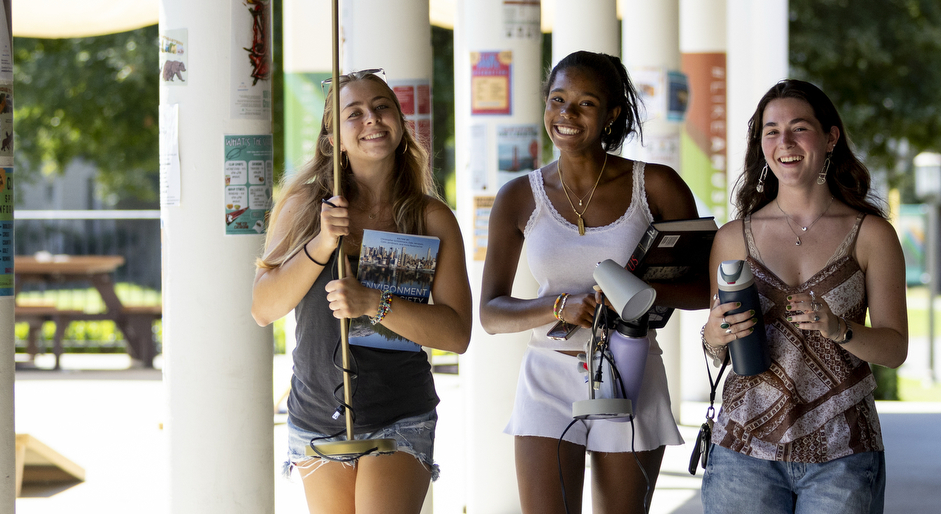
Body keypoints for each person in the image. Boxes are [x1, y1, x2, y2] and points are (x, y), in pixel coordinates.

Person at [480, 51, 708, 514]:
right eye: (557, 100)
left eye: (585, 103)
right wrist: (556, 307)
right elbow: (490, 313)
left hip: (631, 372)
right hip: (547, 374)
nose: (566, 114)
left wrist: (635, 292)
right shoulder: (518, 197)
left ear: (611, 114)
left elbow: (706, 289)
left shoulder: (657, 186)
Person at [251, 71, 472, 514]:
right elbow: (263, 307)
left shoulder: (430, 217)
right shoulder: (304, 207)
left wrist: (374, 304)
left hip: (398, 412)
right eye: (354, 113)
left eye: (382, 106)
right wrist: (320, 243)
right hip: (316, 415)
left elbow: (456, 334)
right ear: (334, 141)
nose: (371, 118)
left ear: (400, 122)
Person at [702, 80, 908, 514]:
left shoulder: (871, 235)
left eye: (799, 128)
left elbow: (894, 349)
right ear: (761, 145)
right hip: (743, 450)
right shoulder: (732, 238)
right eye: (771, 131)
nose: (785, 142)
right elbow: (719, 351)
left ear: (830, 137)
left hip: (844, 452)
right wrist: (714, 336)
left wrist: (839, 328)